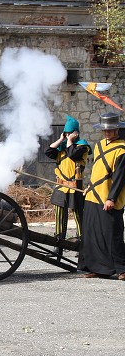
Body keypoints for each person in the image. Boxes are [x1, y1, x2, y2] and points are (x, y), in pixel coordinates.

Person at [78, 113, 125, 280]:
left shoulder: (122, 148)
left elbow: (120, 177)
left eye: (111, 130)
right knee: (92, 233)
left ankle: (122, 269)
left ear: (117, 129)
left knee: (112, 233)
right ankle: (97, 268)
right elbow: (97, 170)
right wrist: (89, 186)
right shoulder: (98, 146)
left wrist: (111, 198)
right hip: (93, 195)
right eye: (105, 131)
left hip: (108, 197)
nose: (107, 133)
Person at [44, 115, 91, 245]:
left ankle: (82, 244)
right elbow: (48, 151)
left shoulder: (83, 147)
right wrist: (61, 139)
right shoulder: (62, 147)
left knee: (78, 215)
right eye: (67, 133)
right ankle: (58, 243)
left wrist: (70, 140)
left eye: (70, 133)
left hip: (75, 186)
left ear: (76, 133)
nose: (68, 135)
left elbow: (72, 154)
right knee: (59, 216)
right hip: (60, 186)